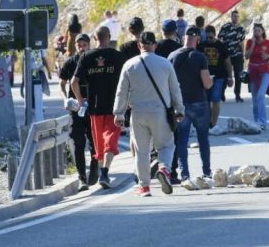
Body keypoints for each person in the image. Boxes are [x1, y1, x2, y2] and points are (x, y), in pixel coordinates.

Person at [114, 32, 185, 197]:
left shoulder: (129, 65)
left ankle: (144, 187)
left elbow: (121, 91)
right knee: (166, 145)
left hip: (137, 112)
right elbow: (175, 89)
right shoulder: (165, 63)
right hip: (160, 112)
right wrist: (179, 109)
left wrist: (119, 113)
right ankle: (164, 168)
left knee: (141, 151)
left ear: (139, 45)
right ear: (155, 45)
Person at [71, 27, 124, 189]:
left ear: (95, 38)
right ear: (109, 36)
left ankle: (103, 172)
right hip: (114, 106)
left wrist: (80, 100)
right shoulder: (118, 56)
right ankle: (105, 172)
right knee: (110, 142)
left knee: (100, 144)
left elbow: (74, 82)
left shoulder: (86, 57)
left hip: (94, 107)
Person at [168, 27, 214, 185]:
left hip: (180, 104)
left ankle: (185, 175)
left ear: (183, 38)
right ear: (198, 40)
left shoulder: (172, 56)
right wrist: (212, 81)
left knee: (182, 140)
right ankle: (207, 172)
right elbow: (207, 84)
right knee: (203, 139)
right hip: (199, 102)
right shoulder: (200, 57)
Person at [58, 33, 97, 191]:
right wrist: (65, 99)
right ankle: (82, 178)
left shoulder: (94, 61)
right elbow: (62, 84)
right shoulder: (70, 62)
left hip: (93, 107)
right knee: (78, 142)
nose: (81, 48)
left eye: (84, 45)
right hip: (76, 108)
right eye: (79, 45)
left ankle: (94, 167)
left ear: (89, 45)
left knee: (94, 141)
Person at [197, 25, 234, 128]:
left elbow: (227, 62)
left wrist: (230, 77)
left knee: (216, 99)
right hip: (206, 76)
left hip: (219, 76)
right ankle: (209, 121)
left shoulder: (221, 46)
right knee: (206, 100)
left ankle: (214, 123)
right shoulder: (201, 46)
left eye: (211, 37)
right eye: (207, 37)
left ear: (215, 35)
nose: (209, 40)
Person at [245, 23, 269, 128]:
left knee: (261, 95)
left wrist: (267, 57)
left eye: (258, 30)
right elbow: (246, 56)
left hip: (264, 71)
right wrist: (253, 44)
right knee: (255, 98)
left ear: (262, 32)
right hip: (253, 72)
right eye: (254, 30)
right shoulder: (249, 42)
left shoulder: (268, 42)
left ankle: (262, 122)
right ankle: (256, 120)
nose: (256, 32)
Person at [219, 10, 247, 103]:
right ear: (231, 17)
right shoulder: (225, 27)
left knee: (238, 75)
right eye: (234, 16)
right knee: (225, 74)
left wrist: (243, 54)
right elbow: (220, 39)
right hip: (226, 54)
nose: (236, 18)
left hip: (237, 54)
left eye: (237, 16)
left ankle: (237, 95)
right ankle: (222, 93)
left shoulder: (241, 29)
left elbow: (242, 42)